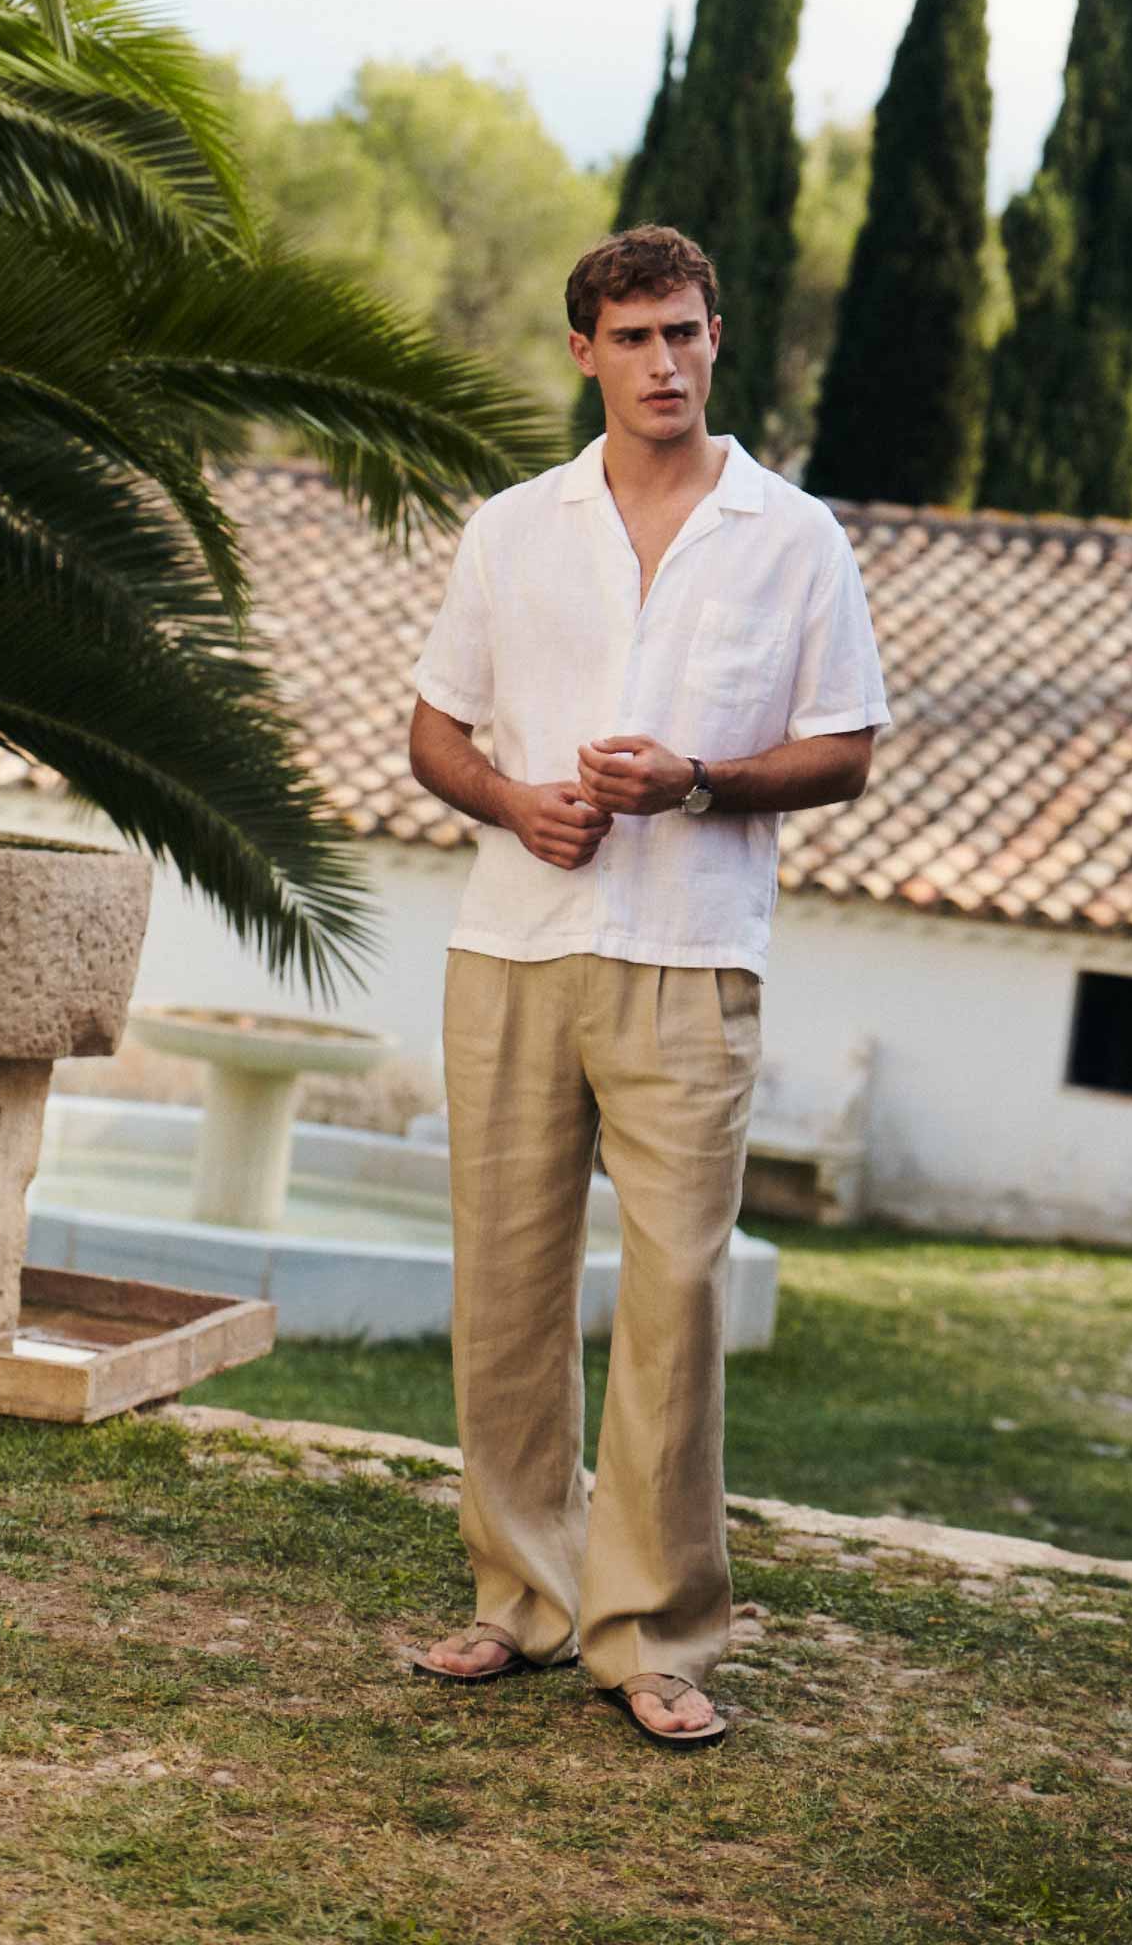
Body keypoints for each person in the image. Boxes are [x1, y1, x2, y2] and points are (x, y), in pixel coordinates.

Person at [406, 224, 890, 1748]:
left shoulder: (794, 535)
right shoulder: (512, 528)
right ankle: (522, 1600)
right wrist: (511, 800)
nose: (663, 363)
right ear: (584, 353)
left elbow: (847, 750)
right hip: (514, 944)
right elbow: (436, 733)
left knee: (674, 1299)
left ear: (715, 339)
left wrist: (694, 781)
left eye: (684, 333)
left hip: (693, 961)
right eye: (632, 339)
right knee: (506, 1291)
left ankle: (656, 1635)